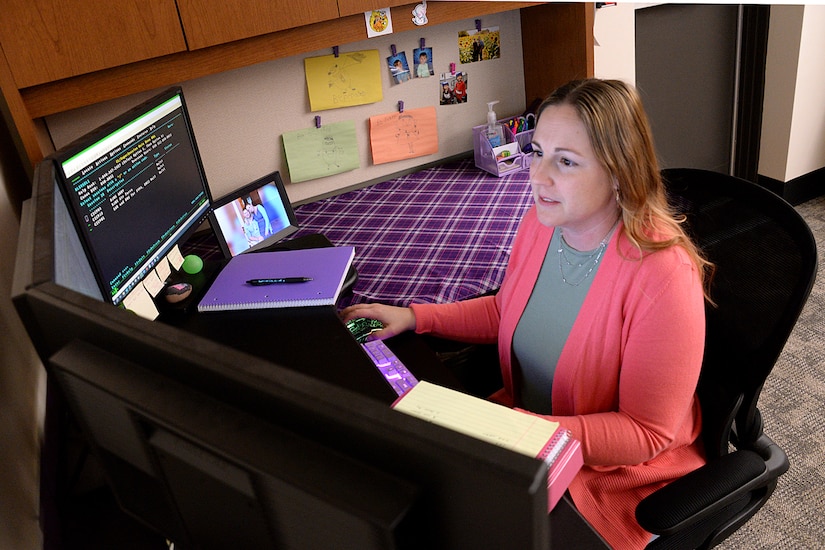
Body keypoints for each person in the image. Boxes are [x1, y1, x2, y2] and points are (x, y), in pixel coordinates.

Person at [342, 78, 712, 549]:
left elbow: (646, 432)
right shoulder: (544, 222)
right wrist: (416, 317)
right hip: (528, 429)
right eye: (537, 152)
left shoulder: (663, 275)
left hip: (615, 472)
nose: (537, 177)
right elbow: (506, 311)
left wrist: (523, 431)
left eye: (566, 161)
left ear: (620, 172)